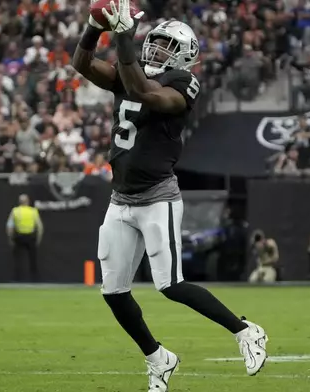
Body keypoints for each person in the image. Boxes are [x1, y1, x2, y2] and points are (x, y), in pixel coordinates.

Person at [72, 3, 268, 391]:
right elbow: (83, 63)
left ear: (184, 55)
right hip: (120, 199)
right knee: (113, 291)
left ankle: (246, 330)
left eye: (166, 45)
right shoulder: (132, 72)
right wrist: (94, 27)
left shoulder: (183, 84)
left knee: (171, 285)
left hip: (157, 196)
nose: (157, 48)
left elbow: (142, 92)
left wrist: (124, 34)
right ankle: (158, 358)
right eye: (155, 41)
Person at [6, 194, 43, 282]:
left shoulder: (15, 211)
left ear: (19, 202)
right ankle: (34, 280)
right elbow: (40, 227)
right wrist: (38, 239)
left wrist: (10, 238)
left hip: (19, 236)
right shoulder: (33, 211)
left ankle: (17, 278)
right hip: (30, 237)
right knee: (32, 260)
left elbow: (9, 226)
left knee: (18, 259)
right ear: (28, 201)